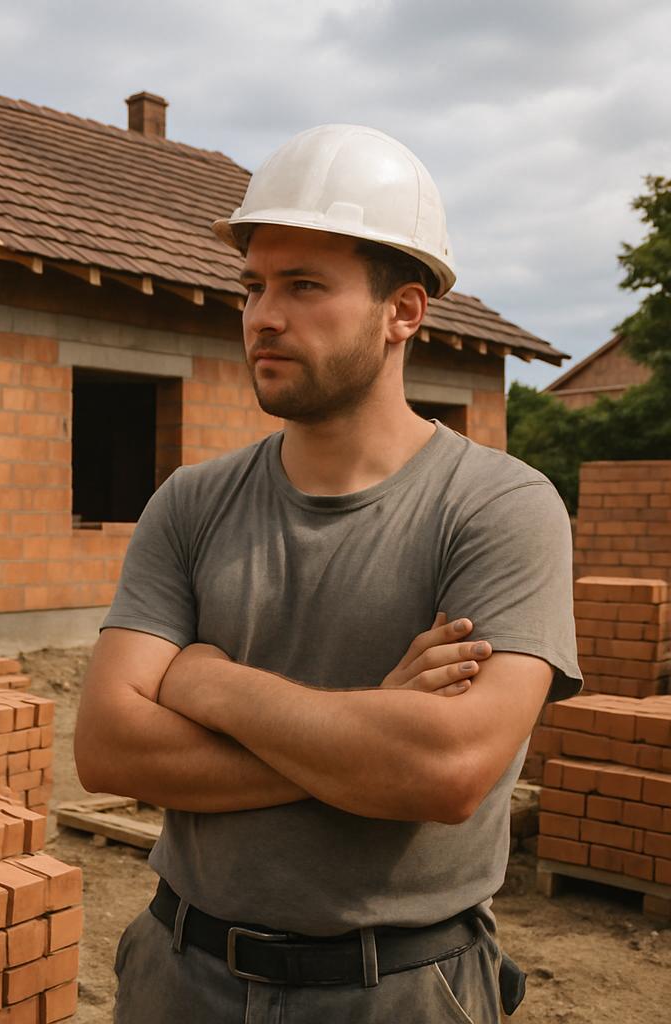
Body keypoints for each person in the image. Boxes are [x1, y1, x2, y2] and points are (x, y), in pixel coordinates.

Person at [74, 124, 581, 1023]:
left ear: (405, 312)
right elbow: (109, 749)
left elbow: (447, 772)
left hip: (399, 989)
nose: (264, 314)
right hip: (177, 974)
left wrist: (209, 679)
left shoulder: (500, 507)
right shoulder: (191, 503)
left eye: (306, 286)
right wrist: (366, 734)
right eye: (254, 286)